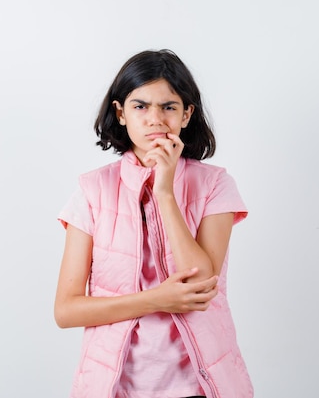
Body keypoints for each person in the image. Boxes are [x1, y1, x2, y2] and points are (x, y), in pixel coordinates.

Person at [54, 49, 253, 398]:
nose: (155, 119)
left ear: (187, 114)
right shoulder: (91, 190)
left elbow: (201, 283)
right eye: (140, 106)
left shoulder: (215, 185)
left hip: (201, 386)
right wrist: (157, 299)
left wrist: (165, 192)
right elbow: (66, 310)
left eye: (169, 106)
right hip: (113, 388)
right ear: (121, 113)